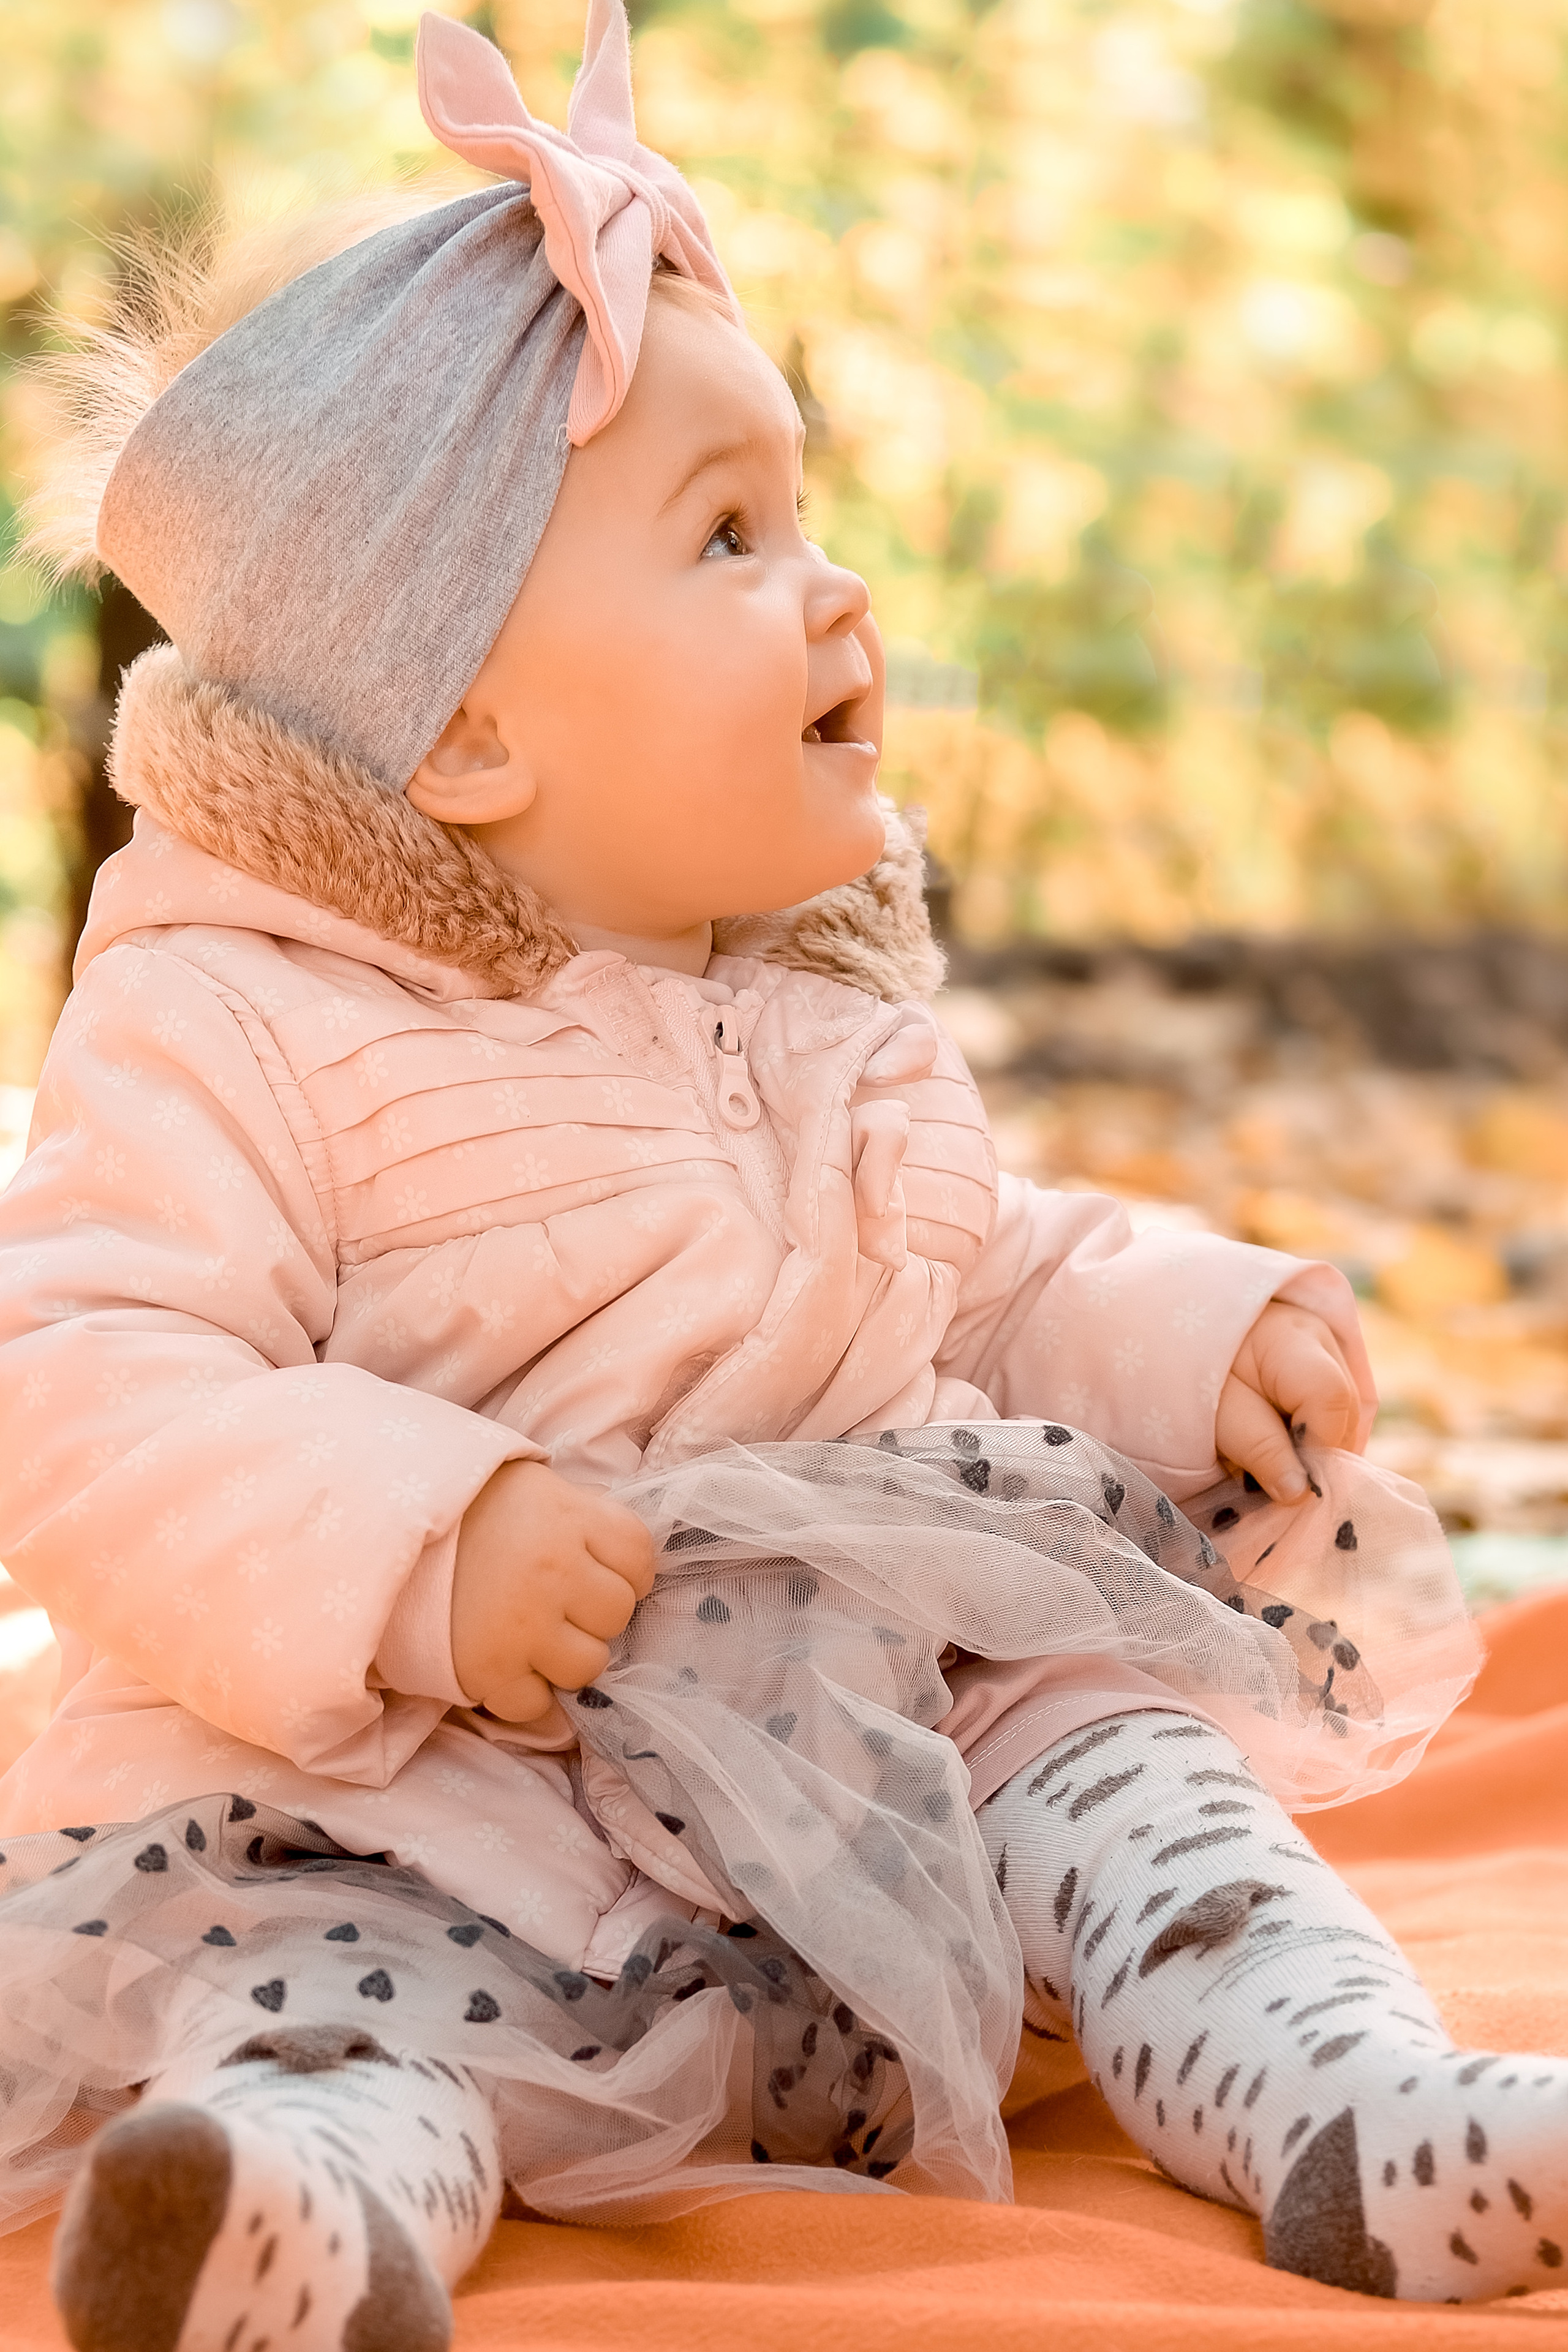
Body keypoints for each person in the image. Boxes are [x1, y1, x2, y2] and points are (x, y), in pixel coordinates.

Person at [0, 9, 1553, 2346]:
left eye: (808, 515)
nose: (835, 592)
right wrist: (421, 1543)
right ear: (462, 734)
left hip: (879, 1765)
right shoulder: (238, 1022)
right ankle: (292, 2213)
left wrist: (1176, 1323)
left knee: (1127, 1768)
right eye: (728, 537)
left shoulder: (819, 1003)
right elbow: (82, 1370)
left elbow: (971, 1270)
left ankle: (1351, 2109)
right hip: (464, 1798)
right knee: (353, 1986)